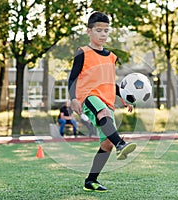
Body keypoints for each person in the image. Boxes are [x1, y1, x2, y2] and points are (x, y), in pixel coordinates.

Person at [68, 11, 136, 192]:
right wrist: (73, 98)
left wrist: (123, 97)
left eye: (106, 30)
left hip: (107, 100)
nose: (103, 34)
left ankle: (91, 180)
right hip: (89, 96)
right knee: (103, 114)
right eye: (98, 30)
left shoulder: (111, 57)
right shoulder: (82, 53)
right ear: (89, 31)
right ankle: (121, 144)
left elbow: (109, 81)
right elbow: (72, 78)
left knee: (106, 144)